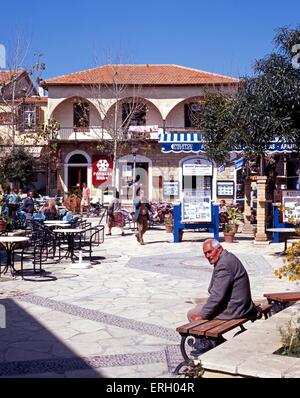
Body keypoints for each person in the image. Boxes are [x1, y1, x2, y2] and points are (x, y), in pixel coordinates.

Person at [187, 239, 257, 355]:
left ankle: (212, 346)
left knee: (192, 314)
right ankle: (216, 343)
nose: (208, 256)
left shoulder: (223, 264)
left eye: (210, 252)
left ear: (219, 249)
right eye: (205, 253)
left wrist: (203, 316)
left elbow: (217, 297)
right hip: (241, 304)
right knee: (200, 307)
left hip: (235, 309)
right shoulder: (228, 257)